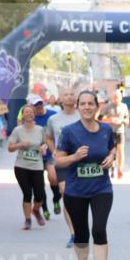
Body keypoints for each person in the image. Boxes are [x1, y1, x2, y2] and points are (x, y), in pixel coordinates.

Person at [54, 90, 117, 260]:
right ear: (78, 107)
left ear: (97, 106)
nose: (87, 107)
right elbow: (59, 161)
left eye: (91, 103)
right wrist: (74, 157)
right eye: (83, 104)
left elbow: (112, 148)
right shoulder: (69, 131)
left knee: (99, 230)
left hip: (101, 188)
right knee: (81, 234)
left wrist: (111, 157)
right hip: (76, 191)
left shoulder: (106, 129)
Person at [45, 87, 81, 246]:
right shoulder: (54, 119)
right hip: (64, 161)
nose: (69, 97)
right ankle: (73, 234)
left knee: (81, 198)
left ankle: (81, 228)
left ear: (76, 98)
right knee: (66, 193)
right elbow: (48, 138)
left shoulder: (83, 115)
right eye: (66, 95)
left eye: (72, 94)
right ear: (60, 98)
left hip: (82, 161)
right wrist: (54, 152)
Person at [8, 104, 49, 230]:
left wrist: (43, 148)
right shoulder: (17, 130)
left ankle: (36, 210)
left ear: (34, 114)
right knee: (27, 193)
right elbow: (10, 148)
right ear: (23, 115)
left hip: (37, 166)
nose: (29, 114)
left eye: (31, 112)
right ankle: (27, 220)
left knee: (39, 194)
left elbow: (46, 143)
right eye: (26, 112)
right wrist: (20, 145)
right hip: (21, 166)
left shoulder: (40, 129)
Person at [102, 90, 129, 178]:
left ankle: (120, 168)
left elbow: (127, 121)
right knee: (111, 152)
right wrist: (110, 120)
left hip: (120, 131)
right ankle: (112, 167)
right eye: (114, 97)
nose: (115, 99)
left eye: (117, 97)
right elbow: (100, 118)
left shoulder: (124, 107)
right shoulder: (108, 106)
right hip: (110, 132)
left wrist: (121, 120)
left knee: (120, 150)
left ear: (120, 98)